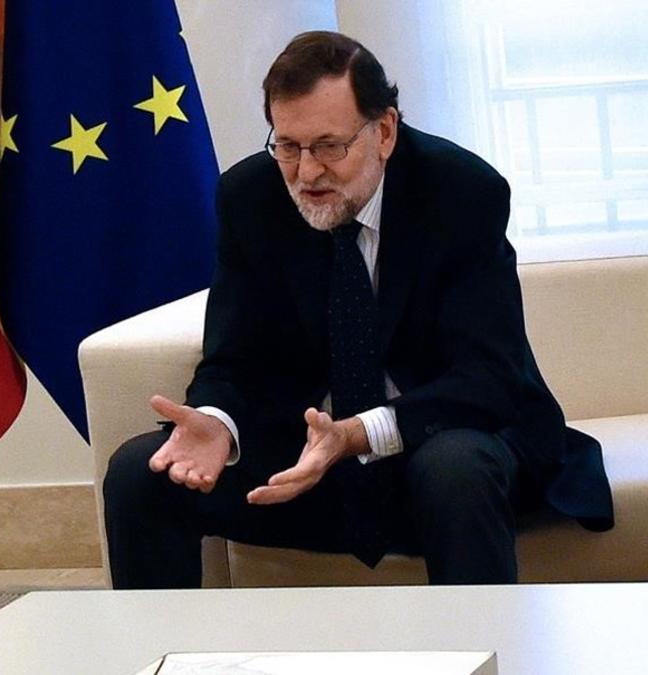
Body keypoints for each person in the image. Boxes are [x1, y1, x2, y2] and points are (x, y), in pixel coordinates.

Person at [102, 31, 614, 588]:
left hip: (437, 438)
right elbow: (235, 358)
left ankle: (481, 662)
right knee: (139, 474)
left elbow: (488, 379)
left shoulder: (461, 191)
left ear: (385, 131)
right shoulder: (250, 197)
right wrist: (218, 423)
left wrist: (358, 434)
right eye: (288, 146)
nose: (306, 172)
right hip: (308, 461)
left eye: (329, 146)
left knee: (455, 470)